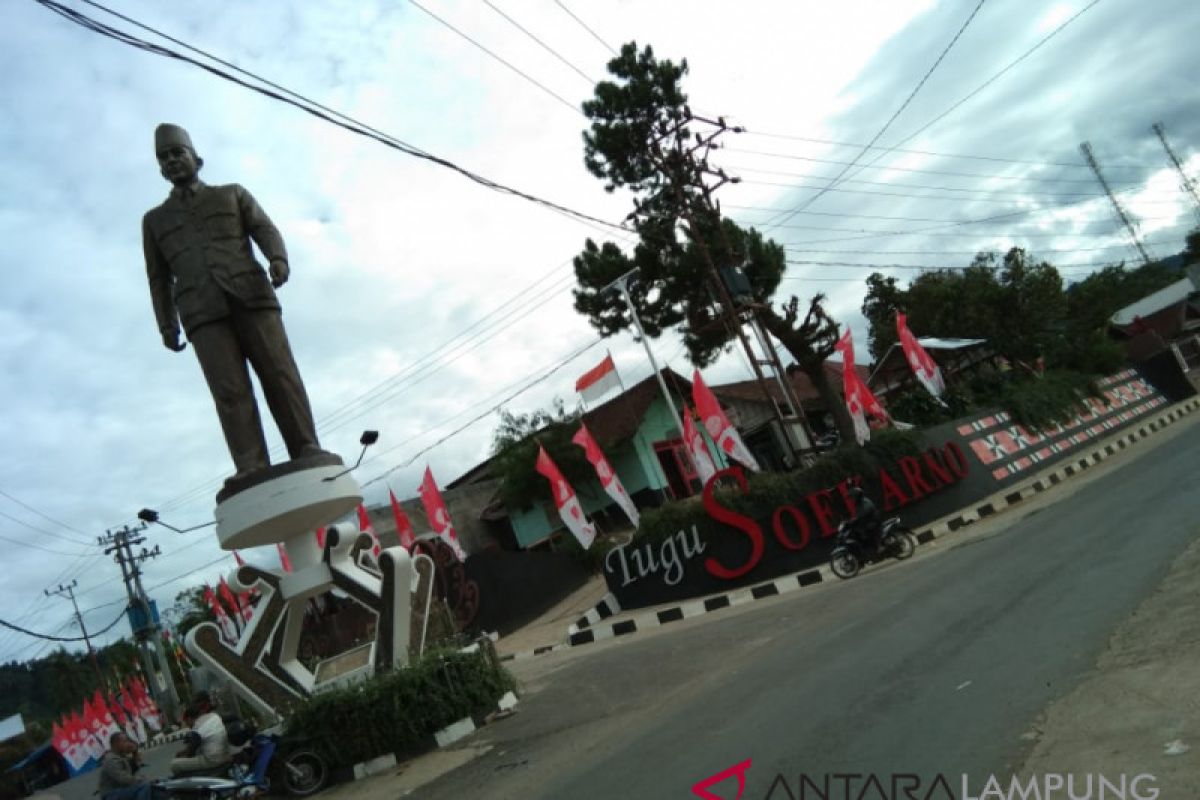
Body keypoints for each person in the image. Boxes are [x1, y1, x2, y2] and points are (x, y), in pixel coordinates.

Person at [141, 123, 329, 488]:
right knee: (230, 392)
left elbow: (265, 228)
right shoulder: (154, 220)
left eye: (177, 153)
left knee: (280, 374)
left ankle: (305, 446)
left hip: (252, 296)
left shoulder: (232, 194)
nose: (171, 161)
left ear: (197, 158)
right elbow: (157, 278)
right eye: (164, 158)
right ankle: (250, 465)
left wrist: (278, 258)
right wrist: (166, 323)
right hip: (201, 311)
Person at [169, 693, 231, 776]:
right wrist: (184, 752)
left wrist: (184, 756)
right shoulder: (214, 716)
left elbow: (192, 749)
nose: (188, 725)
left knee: (175, 765)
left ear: (190, 719)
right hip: (225, 756)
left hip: (212, 760)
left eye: (187, 722)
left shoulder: (197, 726)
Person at [97, 732, 154, 800]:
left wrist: (135, 752)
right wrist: (141, 779)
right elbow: (123, 778)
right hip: (111, 794)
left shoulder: (120, 756)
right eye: (124, 741)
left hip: (120, 790)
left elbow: (134, 768)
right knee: (143, 786)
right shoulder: (111, 759)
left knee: (151, 786)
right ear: (116, 744)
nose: (127, 744)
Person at [846, 482, 883, 553]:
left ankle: (878, 546)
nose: (852, 499)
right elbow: (858, 514)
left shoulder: (864, 501)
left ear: (857, 496)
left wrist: (857, 518)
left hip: (873, 521)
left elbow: (866, 510)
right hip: (866, 521)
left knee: (867, 532)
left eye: (852, 497)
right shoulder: (858, 503)